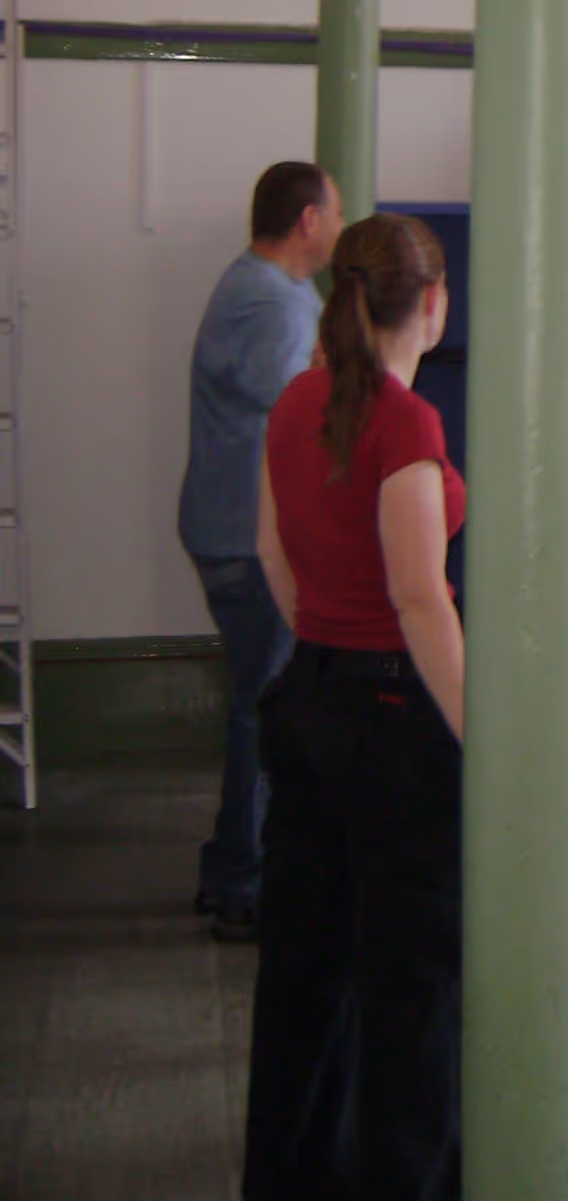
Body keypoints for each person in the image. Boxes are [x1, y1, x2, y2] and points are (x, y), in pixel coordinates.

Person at [245, 212, 467, 1199]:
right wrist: (482, 738)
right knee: (408, 980)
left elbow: (271, 556)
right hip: (391, 718)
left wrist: (324, 643)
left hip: (311, 699)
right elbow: (419, 595)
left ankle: (289, 1176)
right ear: (431, 304)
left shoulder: (296, 403)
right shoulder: (405, 423)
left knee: (303, 969)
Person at [177, 160, 342, 941]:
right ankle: (246, 886)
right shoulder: (271, 305)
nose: (339, 228)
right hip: (248, 542)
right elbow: (300, 417)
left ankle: (232, 868)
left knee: (260, 703)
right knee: (265, 710)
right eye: (334, 213)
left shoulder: (275, 292)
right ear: (308, 221)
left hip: (233, 530)